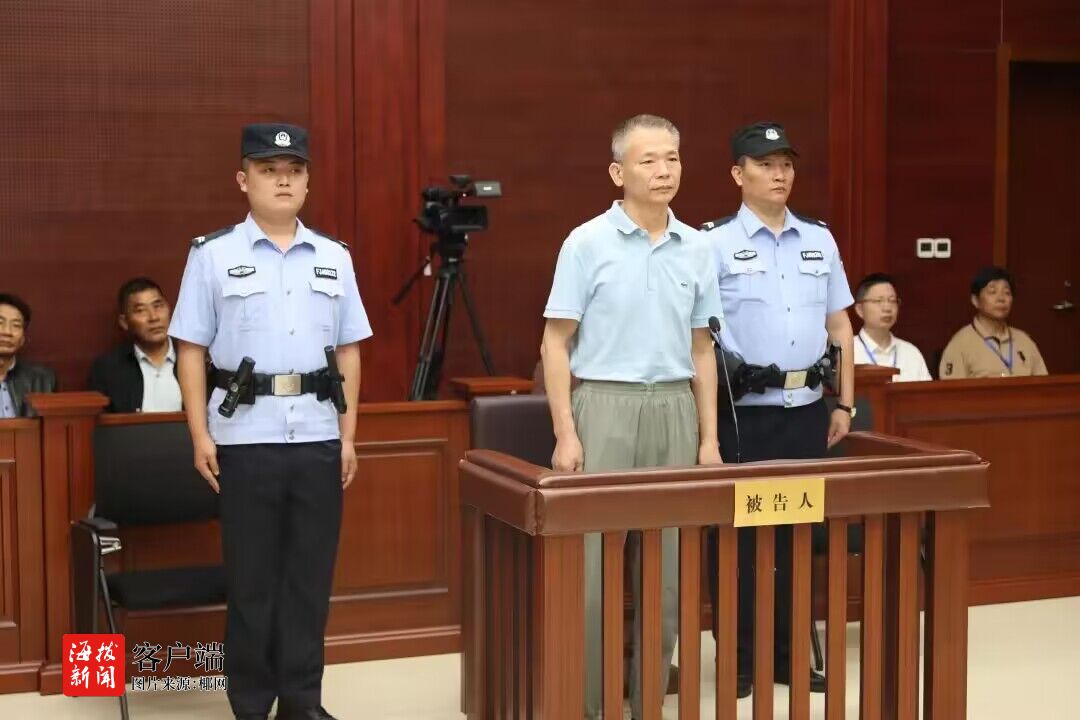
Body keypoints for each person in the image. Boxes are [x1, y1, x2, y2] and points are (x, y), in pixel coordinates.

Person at [168, 123, 372, 720]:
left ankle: (303, 703)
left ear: (307, 181)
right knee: (253, 583)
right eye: (268, 170)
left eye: (294, 171)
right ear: (243, 180)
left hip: (316, 436)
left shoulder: (334, 257)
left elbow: (350, 350)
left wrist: (348, 436)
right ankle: (253, 706)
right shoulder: (212, 255)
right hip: (244, 439)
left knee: (310, 581)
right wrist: (200, 435)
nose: (283, 180)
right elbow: (190, 350)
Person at [541, 114, 724, 720]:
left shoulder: (698, 247)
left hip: (674, 406)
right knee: (592, 570)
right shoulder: (585, 242)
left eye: (673, 158)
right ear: (619, 172)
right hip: (605, 406)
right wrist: (566, 432)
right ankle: (593, 706)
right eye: (649, 160)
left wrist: (708, 440)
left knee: (669, 573)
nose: (664, 170)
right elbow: (555, 342)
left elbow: (703, 349)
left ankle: (648, 702)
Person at [701, 121, 856, 698]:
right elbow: (698, 338)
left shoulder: (819, 239)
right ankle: (741, 661)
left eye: (786, 163)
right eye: (765, 164)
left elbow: (840, 325)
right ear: (738, 174)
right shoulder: (711, 243)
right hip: (744, 414)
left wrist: (845, 402)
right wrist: (707, 431)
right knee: (739, 543)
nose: (779, 174)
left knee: (796, 535)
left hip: (806, 410)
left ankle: (791, 656)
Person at [88, 277, 183, 412]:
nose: (154, 317)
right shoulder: (107, 370)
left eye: (158, 306)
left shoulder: (198, 361)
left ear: (169, 309)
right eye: (141, 310)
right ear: (124, 322)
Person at [940, 266, 1047, 379]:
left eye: (1007, 293)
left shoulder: (1025, 342)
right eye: (992, 292)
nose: (1001, 298)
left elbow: (1043, 384)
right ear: (975, 300)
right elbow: (951, 389)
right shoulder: (960, 344)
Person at [852, 273, 931, 382]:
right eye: (878, 301)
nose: (887, 308)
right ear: (860, 309)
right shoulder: (847, 352)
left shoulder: (911, 353)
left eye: (892, 300)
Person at [0, 293, 57, 418]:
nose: (7, 332)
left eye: (16, 325)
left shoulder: (43, 379)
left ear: (23, 338)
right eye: (0, 322)